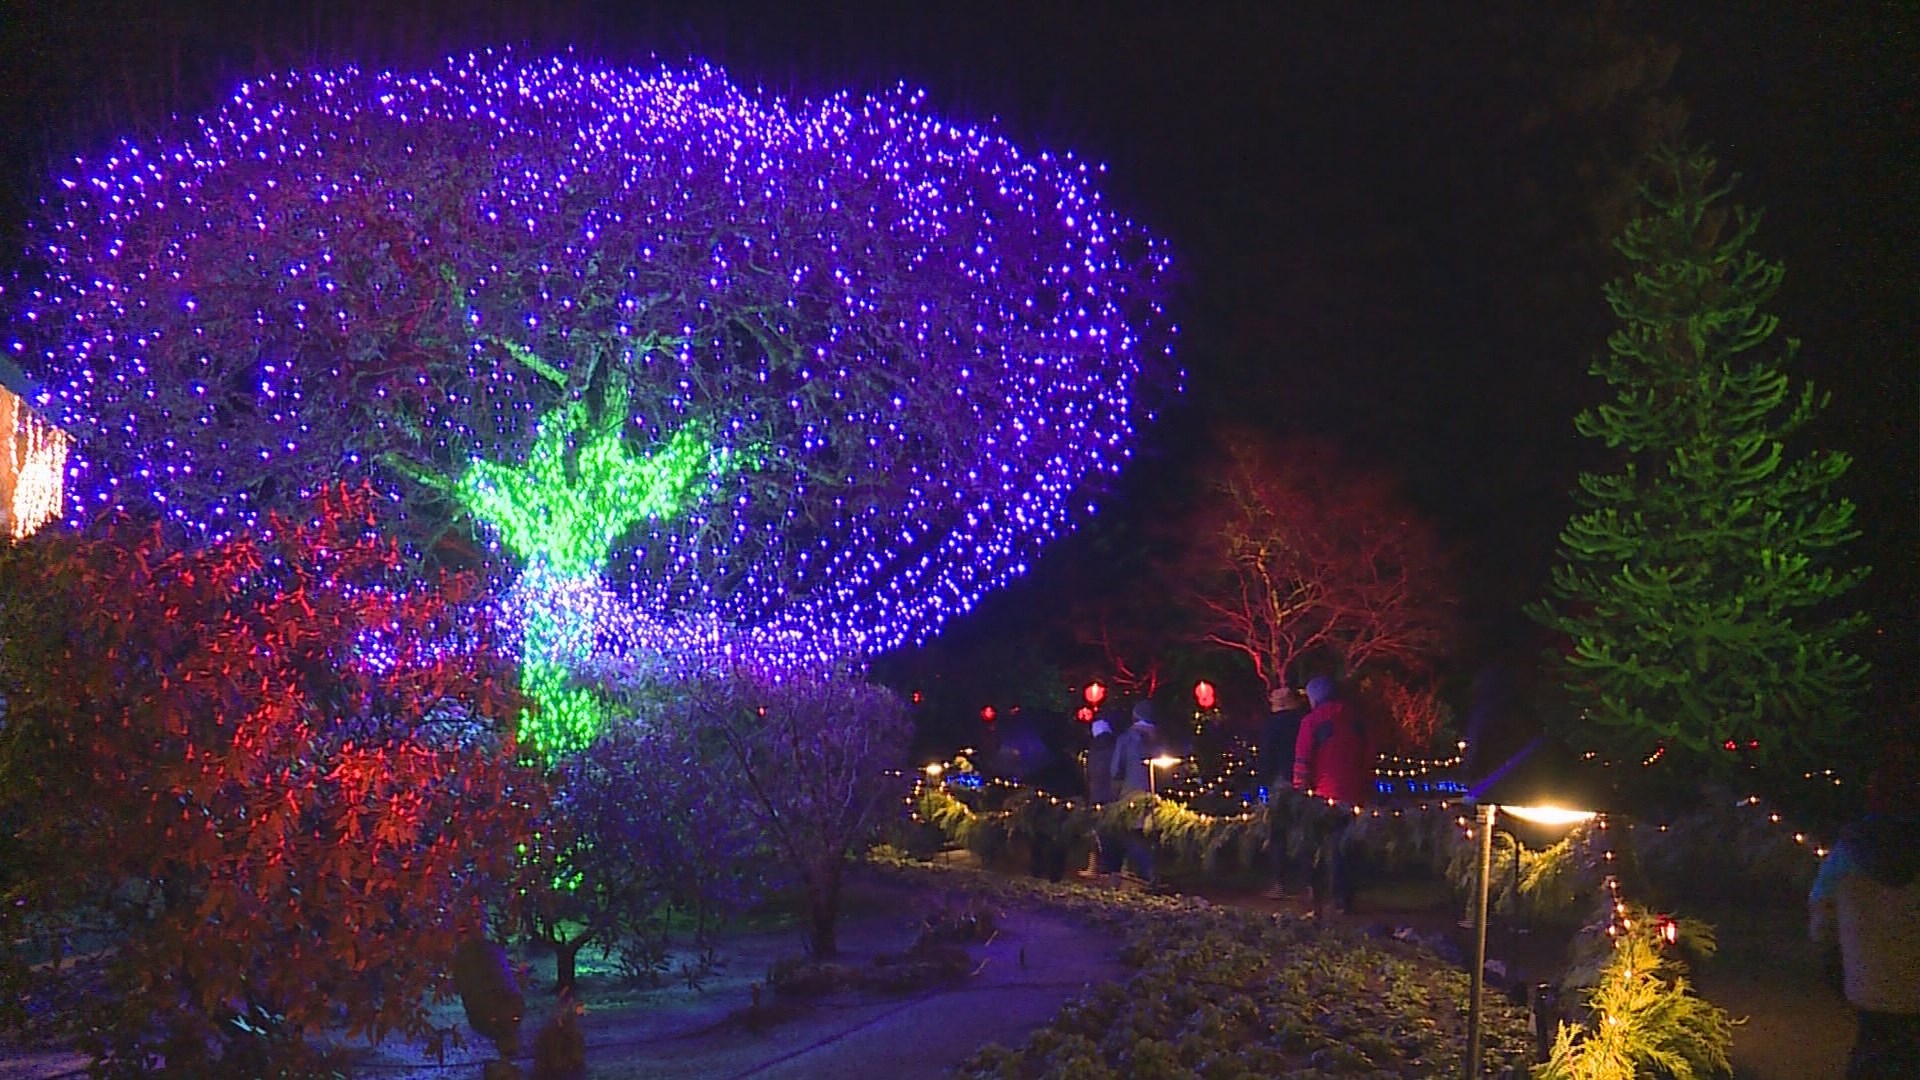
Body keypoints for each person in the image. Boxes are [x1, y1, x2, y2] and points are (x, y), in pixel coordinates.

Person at [1809, 745, 1920, 1078]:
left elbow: (1822, 921)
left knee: (1872, 1055)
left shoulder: (1848, 853)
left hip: (1868, 985)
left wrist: (1840, 965)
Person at [1292, 675, 1375, 914]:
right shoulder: (1357, 719)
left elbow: (1303, 757)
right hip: (1355, 793)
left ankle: (1315, 891)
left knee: (1315, 843)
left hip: (1323, 793)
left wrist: (1300, 787)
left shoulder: (1312, 721)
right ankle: (1343, 896)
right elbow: (1369, 754)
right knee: (1346, 846)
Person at [1259, 682, 1312, 900]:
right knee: (1303, 834)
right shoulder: (1303, 722)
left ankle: (1280, 883)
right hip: (1304, 782)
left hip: (1280, 783)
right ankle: (1309, 885)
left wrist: (1263, 780)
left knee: (1278, 834)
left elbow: (1267, 756)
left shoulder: (1275, 725)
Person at [1109, 700, 1163, 885]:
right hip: (1159, 796)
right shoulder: (1159, 738)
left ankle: (1144, 873)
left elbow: (1116, 770)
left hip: (1132, 793)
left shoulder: (1125, 739)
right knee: (1152, 835)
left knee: (1132, 834)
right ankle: (1153, 871)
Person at [1081, 715, 1123, 877]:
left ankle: (1103, 866)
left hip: (1097, 795)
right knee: (1114, 832)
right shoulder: (1115, 747)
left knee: (1100, 834)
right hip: (1114, 795)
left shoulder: (1093, 751)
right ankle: (1115, 867)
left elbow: (1089, 775)